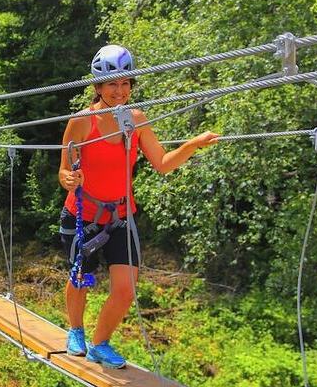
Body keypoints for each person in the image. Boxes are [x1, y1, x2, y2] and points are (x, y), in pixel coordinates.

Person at [58, 44, 219, 368]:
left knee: (125, 289)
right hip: (84, 215)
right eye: (113, 84)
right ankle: (76, 330)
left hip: (120, 215)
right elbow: (63, 170)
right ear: (99, 87)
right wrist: (69, 180)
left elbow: (161, 162)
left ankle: (100, 343)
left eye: (125, 84)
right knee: (81, 279)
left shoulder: (137, 120)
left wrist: (192, 145)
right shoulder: (81, 122)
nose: (120, 91)